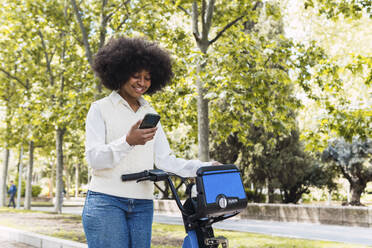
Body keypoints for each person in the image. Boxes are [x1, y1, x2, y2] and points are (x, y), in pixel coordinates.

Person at [83, 36, 219, 248]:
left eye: (147, 78)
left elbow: (166, 160)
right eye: (136, 76)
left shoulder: (150, 113)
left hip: (142, 205)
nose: (142, 83)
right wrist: (128, 141)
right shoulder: (99, 109)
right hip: (105, 201)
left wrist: (205, 167)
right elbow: (95, 159)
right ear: (119, 73)